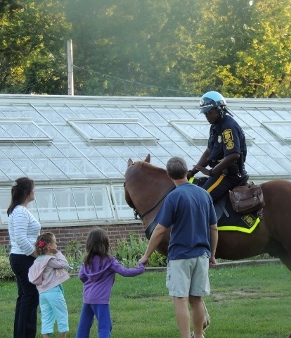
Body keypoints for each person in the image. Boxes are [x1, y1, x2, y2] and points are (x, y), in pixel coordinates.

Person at [139, 156, 218, 338]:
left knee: (180, 299)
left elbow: (159, 230)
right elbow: (213, 228)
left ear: (169, 175)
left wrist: (146, 255)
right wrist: (212, 254)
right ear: (186, 171)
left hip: (180, 256)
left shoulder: (173, 197)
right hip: (201, 255)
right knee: (197, 300)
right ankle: (198, 336)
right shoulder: (204, 194)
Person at [76, 227, 145, 338]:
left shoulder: (87, 260)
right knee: (105, 327)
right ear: (106, 243)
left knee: (83, 327)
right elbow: (125, 272)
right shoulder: (110, 261)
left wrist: (90, 284)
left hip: (87, 298)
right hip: (101, 300)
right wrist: (140, 268)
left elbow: (81, 276)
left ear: (89, 244)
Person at [187, 91, 248, 202]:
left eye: (209, 112)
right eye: (205, 114)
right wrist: (192, 172)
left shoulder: (228, 127)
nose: (207, 116)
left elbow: (234, 154)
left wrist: (211, 172)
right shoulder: (215, 125)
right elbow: (210, 151)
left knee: (201, 199)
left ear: (219, 109)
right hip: (219, 173)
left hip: (228, 175)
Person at [7, 176, 41, 338]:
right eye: (33, 189)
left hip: (21, 258)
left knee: (25, 298)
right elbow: (21, 238)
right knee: (30, 297)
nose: (35, 192)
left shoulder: (20, 210)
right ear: (27, 193)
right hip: (24, 259)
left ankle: (21, 334)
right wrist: (36, 255)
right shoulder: (20, 211)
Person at [28, 232, 70, 338]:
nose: (56, 245)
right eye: (55, 243)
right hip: (53, 292)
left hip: (42, 294)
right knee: (62, 315)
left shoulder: (37, 261)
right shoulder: (49, 260)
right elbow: (65, 265)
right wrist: (57, 253)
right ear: (49, 247)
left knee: (46, 317)